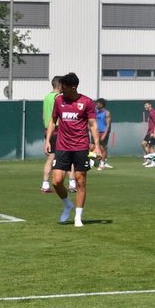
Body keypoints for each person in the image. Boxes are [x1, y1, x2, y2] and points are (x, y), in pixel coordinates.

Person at [45, 73, 100, 227]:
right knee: (56, 181)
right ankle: (68, 204)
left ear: (73, 87)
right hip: (62, 146)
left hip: (81, 146)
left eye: (64, 87)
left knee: (80, 180)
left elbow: (93, 124)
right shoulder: (58, 100)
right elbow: (52, 121)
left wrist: (96, 145)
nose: (61, 90)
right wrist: (47, 140)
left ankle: (78, 217)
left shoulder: (87, 102)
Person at [41, 76, 63, 191]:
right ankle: (72, 183)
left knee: (50, 158)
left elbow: (44, 115)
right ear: (59, 85)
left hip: (47, 130)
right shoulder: (59, 97)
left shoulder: (46, 97)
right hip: (58, 129)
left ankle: (45, 184)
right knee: (67, 157)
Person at [95, 98, 113, 170]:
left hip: (103, 132)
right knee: (92, 147)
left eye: (98, 104)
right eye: (96, 103)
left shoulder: (107, 113)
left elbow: (108, 125)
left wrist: (105, 135)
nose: (97, 105)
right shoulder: (95, 112)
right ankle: (97, 162)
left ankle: (102, 164)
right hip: (96, 132)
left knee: (103, 148)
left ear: (102, 104)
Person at [141, 101, 155, 167]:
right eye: (144, 106)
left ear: (150, 105)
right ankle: (149, 159)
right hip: (149, 132)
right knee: (143, 144)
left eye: (146, 105)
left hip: (153, 132)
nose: (145, 107)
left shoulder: (153, 113)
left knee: (151, 147)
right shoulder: (149, 113)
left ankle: (153, 163)